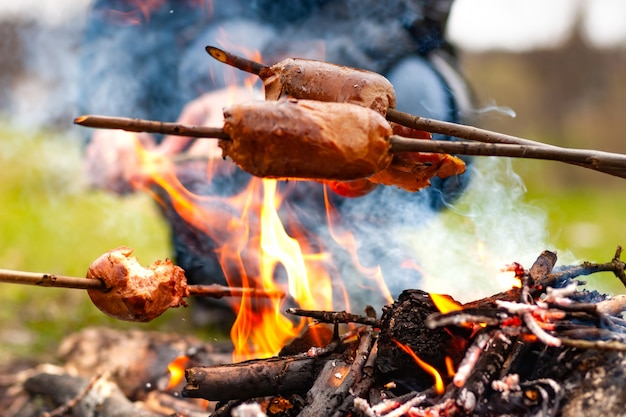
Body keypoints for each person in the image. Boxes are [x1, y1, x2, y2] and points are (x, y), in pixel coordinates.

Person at [78, 0, 473, 329]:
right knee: (209, 57)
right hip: (203, 77)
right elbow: (118, 21)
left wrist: (274, 90)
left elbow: (401, 11)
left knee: (414, 98)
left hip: (377, 63)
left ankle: (362, 260)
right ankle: (234, 264)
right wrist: (112, 117)